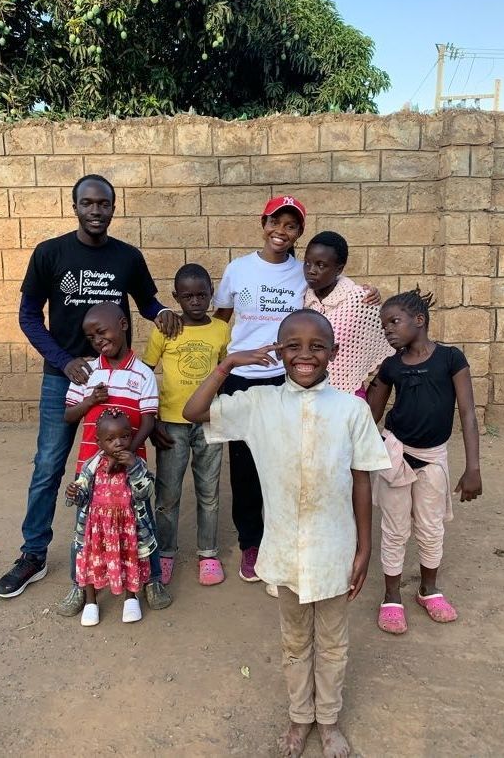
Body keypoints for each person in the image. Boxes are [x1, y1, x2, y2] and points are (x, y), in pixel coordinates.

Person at [183, 309, 390, 758]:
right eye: (292, 346)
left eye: (317, 346)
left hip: (335, 548)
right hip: (285, 550)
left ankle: (328, 720)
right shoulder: (259, 404)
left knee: (332, 641)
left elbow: (361, 479)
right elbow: (192, 411)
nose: (304, 355)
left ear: (334, 352)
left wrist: (365, 547)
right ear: (278, 352)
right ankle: (300, 718)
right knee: (295, 640)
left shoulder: (351, 409)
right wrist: (228, 363)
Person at [0, 174, 180, 606]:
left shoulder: (127, 257)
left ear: (113, 207)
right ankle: (33, 554)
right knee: (49, 465)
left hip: (116, 378)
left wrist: (164, 312)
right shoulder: (50, 253)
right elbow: (28, 316)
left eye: (104, 204)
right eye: (88, 203)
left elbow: (147, 303)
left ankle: (138, 561)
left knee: (124, 463)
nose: (96, 211)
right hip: (66, 376)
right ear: (74, 205)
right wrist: (63, 361)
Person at [213, 197, 380, 584]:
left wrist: (370, 293)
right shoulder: (238, 269)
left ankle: (287, 542)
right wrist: (218, 364)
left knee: (287, 466)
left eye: (291, 226)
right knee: (244, 468)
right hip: (244, 377)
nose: (281, 231)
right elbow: (221, 319)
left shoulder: (303, 275)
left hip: (285, 377)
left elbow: (337, 294)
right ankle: (251, 542)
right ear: (263, 223)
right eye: (275, 222)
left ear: (299, 233)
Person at [367, 288, 482, 635]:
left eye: (394, 322)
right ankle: (391, 596)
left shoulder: (450, 358)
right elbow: (371, 414)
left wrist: (473, 468)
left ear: (420, 320)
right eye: (384, 325)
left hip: (432, 459)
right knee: (394, 529)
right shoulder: (391, 365)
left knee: (431, 527)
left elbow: (468, 413)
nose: (388, 329)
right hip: (395, 454)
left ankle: (428, 590)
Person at [62, 301, 171, 610]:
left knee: (142, 525)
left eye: (102, 332)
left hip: (130, 469)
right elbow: (68, 415)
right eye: (91, 337)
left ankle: (152, 580)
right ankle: (79, 585)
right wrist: (90, 401)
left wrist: (125, 455)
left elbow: (147, 421)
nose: (98, 340)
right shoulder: (86, 372)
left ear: (123, 325)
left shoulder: (143, 374)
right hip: (90, 468)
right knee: (84, 529)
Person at [143, 263, 230, 586]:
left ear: (211, 294)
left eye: (202, 295)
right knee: (168, 494)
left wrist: (226, 411)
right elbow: (145, 373)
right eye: (188, 296)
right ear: (176, 297)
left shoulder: (221, 329)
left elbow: (226, 371)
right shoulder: (165, 329)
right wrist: (152, 419)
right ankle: (165, 553)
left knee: (209, 492)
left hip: (210, 421)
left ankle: (208, 554)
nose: (195, 301)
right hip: (171, 424)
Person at [65, 409, 153, 627]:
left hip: (127, 527)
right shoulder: (92, 465)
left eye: (125, 436)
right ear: (99, 442)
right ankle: (91, 602)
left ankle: (131, 598)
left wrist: (134, 467)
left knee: (130, 559)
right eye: (110, 439)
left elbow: (145, 493)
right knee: (91, 562)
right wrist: (74, 493)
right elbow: (82, 495)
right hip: (97, 529)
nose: (118, 443)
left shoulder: (136, 464)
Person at [303, 231, 393, 398]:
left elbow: (387, 344)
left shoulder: (359, 298)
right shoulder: (302, 299)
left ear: (339, 269)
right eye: (307, 263)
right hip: (307, 393)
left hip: (348, 391)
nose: (311, 270)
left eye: (320, 265)